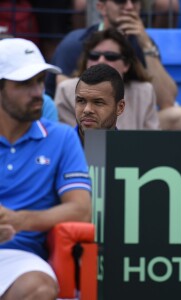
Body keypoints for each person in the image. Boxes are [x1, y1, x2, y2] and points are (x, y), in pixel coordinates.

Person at [0, 38, 92, 299]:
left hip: (20, 261)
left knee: (39, 289)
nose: (37, 91)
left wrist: (19, 221)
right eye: (24, 83)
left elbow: (81, 210)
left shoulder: (62, 137)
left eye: (40, 81)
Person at [46, 0, 181, 130]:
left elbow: (167, 101)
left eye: (135, 1)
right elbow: (68, 95)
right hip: (84, 123)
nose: (129, 7)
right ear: (101, 7)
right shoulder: (75, 42)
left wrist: (146, 45)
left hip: (129, 118)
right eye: (120, 1)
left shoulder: (143, 44)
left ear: (126, 64)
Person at [55, 28, 160, 130]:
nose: (101, 61)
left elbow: (150, 141)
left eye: (110, 56)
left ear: (126, 64)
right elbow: (71, 140)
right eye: (94, 56)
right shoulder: (66, 90)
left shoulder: (144, 91)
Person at [75, 63, 125, 145]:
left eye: (98, 102)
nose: (87, 110)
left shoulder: (133, 153)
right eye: (81, 101)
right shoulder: (56, 147)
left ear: (120, 107)